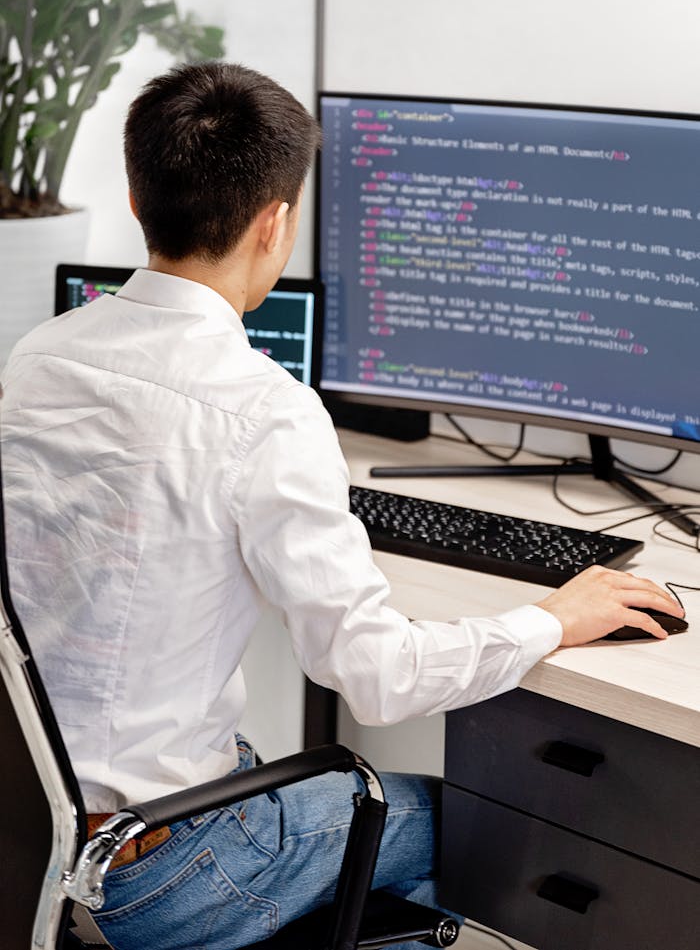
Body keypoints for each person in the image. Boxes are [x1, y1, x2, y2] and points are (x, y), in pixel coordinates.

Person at [0, 62, 682, 950]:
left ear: (134, 199)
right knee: (478, 820)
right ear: (276, 223)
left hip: (38, 837)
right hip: (167, 870)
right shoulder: (263, 410)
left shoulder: (38, 357)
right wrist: (552, 617)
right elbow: (374, 674)